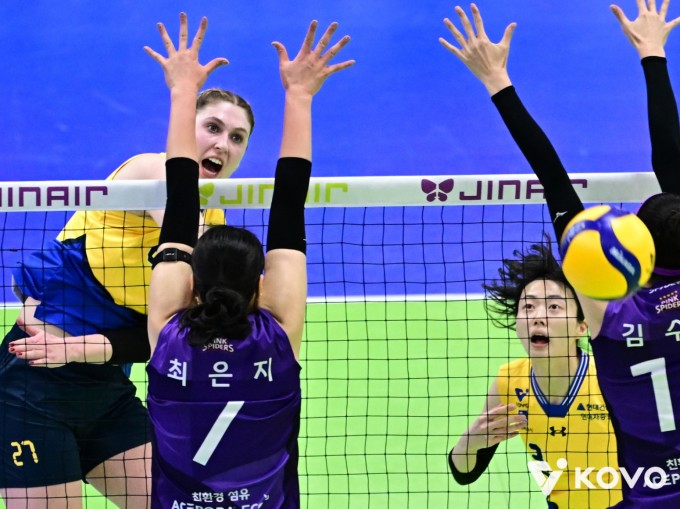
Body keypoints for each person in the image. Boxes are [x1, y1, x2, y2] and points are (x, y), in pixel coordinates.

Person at [0, 18, 254, 509]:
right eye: (212, 127)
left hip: (105, 389)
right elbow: (180, 223)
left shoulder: (215, 220)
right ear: (185, 128)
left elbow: (158, 337)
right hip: (32, 389)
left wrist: (82, 348)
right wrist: (181, 91)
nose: (223, 144)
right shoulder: (148, 172)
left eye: (237, 138)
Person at [441, 2, 680, 507]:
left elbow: (554, 180)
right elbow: (672, 159)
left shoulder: (609, 312)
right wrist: (654, 54)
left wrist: (497, 81)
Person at [143, 13, 353, 508]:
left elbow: (180, 199)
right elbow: (289, 205)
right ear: (261, 285)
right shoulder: (277, 337)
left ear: (191, 286)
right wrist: (299, 95)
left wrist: (182, 91)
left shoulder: (168, 337)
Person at [448, 240, 622, 508]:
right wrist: (470, 442)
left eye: (554, 307)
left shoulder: (609, 378)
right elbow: (465, 473)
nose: (537, 317)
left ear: (581, 326)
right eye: (528, 307)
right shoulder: (509, 382)